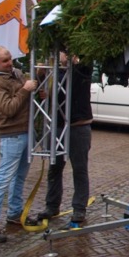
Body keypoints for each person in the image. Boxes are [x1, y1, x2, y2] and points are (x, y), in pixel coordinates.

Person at [0, 46, 38, 243]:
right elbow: (8, 108)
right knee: (3, 179)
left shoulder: (15, 74)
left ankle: (15, 213)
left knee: (20, 177)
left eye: (10, 59)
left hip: (25, 131)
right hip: (12, 134)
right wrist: (25, 90)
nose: (10, 63)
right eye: (5, 60)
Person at [35, 52, 93, 225]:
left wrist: (74, 57)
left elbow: (85, 66)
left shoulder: (81, 70)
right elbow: (44, 91)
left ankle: (79, 209)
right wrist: (40, 79)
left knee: (79, 169)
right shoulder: (53, 73)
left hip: (79, 126)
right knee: (54, 167)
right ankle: (52, 206)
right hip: (58, 126)